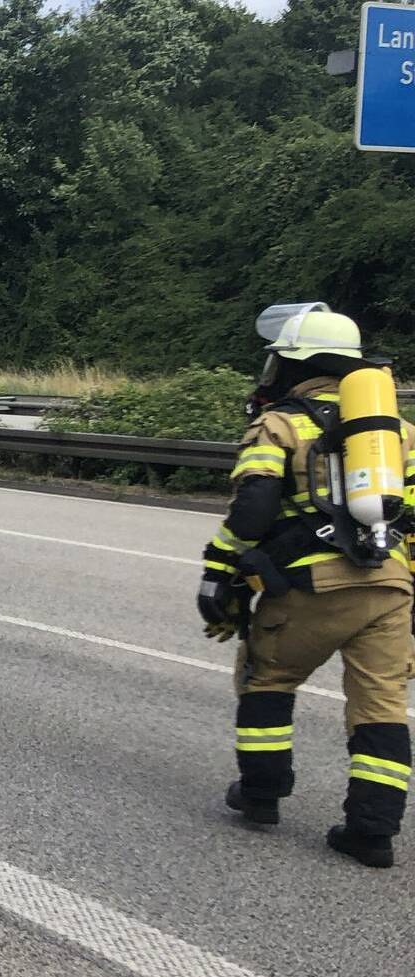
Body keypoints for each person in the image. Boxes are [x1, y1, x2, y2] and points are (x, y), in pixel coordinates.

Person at [200, 305, 415, 869]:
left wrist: (217, 568)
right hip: (392, 586)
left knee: (267, 678)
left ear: (297, 365)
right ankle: (372, 832)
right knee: (381, 706)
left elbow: (254, 506)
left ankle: (262, 796)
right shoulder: (398, 434)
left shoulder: (283, 423)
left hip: (313, 586)